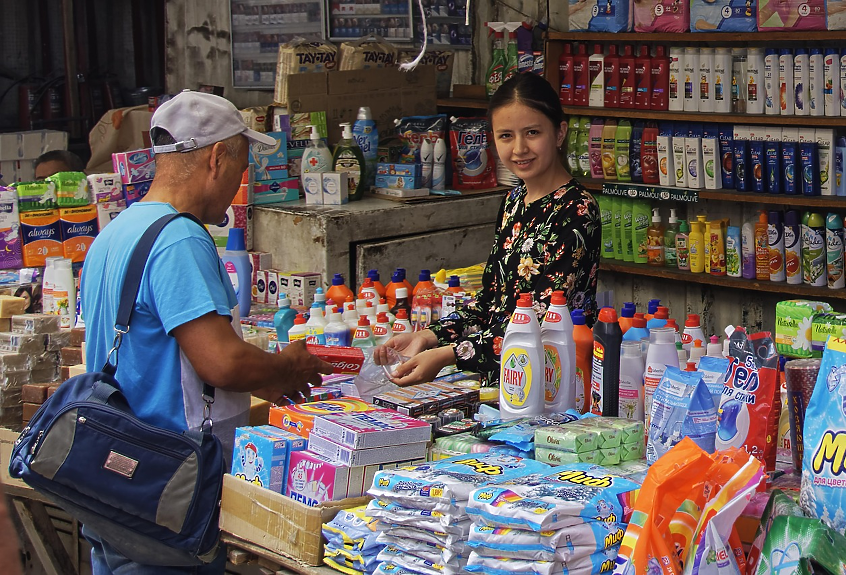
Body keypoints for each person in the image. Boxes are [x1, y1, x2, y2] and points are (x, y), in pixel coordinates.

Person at [80, 90, 333, 574]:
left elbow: (158, 350)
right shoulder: (179, 238)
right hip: (165, 484)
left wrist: (263, 379)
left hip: (117, 477)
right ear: (217, 157)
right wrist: (285, 364)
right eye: (240, 169)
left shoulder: (119, 229)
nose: (239, 184)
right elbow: (220, 361)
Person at [379, 73, 600, 386]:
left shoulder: (577, 209)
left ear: (559, 132)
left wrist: (448, 355)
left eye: (532, 132)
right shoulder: (514, 200)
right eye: (506, 136)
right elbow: (491, 302)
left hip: (553, 378)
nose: (520, 148)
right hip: (504, 374)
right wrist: (428, 336)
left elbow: (544, 319)